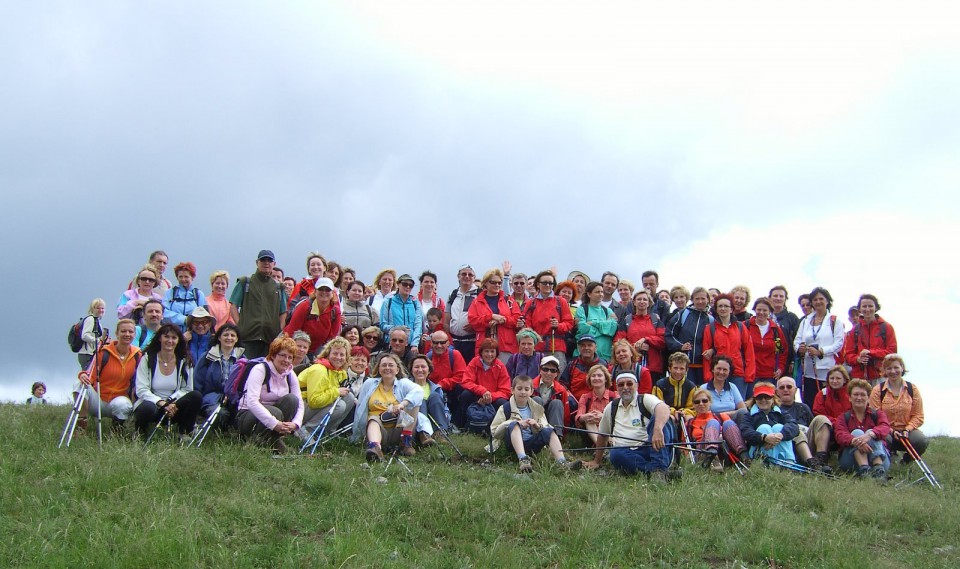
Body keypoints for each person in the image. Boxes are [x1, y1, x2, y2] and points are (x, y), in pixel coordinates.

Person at [582, 372, 673, 479]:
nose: (625, 387)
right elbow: (602, 435)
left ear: (637, 386)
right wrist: (596, 461)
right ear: (617, 388)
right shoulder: (611, 407)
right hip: (628, 454)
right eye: (621, 385)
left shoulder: (645, 399)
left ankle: (660, 469)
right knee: (615, 455)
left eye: (629, 384)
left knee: (661, 418)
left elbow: (664, 408)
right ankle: (658, 473)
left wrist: (657, 429)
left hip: (653, 447)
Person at [490, 375, 582, 473]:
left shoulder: (537, 408)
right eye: (519, 389)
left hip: (531, 443)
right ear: (512, 390)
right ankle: (523, 459)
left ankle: (562, 463)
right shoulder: (505, 408)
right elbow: (494, 432)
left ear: (531, 391)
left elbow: (546, 425)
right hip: (511, 444)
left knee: (549, 431)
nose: (523, 392)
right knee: (514, 425)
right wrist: (513, 423)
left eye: (526, 389)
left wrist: (537, 426)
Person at [235, 335, 304, 453]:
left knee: (292, 400)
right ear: (273, 355)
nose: (286, 360)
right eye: (282, 355)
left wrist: (295, 424)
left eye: (290, 357)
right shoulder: (260, 369)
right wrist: (274, 423)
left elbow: (300, 402)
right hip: (248, 416)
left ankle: (273, 439)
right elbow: (252, 403)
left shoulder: (290, 374)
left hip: (275, 419)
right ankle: (255, 442)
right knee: (275, 412)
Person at [351, 352, 426, 460]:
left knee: (414, 403)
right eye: (384, 365)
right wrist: (358, 434)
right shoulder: (369, 383)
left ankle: (405, 442)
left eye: (391, 365)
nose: (387, 368)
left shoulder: (403, 383)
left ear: (397, 369)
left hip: (400, 427)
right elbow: (360, 409)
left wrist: (402, 404)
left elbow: (418, 391)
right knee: (373, 419)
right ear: (379, 368)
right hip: (379, 430)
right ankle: (375, 447)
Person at [133, 324, 202, 439]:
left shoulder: (185, 361)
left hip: (174, 407)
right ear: (160, 338)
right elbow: (141, 389)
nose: (170, 341)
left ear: (179, 340)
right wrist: (161, 403)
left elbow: (187, 389)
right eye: (166, 337)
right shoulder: (147, 359)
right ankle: (140, 432)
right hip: (153, 405)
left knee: (196, 396)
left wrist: (171, 402)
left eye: (174, 338)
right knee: (147, 408)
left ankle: (184, 432)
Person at [76, 319, 141, 430]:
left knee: (124, 405)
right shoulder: (104, 352)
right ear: (117, 333)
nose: (127, 334)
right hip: (98, 399)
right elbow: (90, 373)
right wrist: (82, 375)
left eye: (130, 332)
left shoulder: (137, 355)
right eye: (123, 331)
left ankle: (116, 432)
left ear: (135, 334)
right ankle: (81, 424)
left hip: (119, 400)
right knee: (78, 385)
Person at [229, 250, 288, 359]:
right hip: (247, 340)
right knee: (246, 371)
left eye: (269, 260)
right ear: (257, 262)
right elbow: (233, 306)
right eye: (263, 260)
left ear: (274, 264)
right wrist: (241, 326)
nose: (266, 263)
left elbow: (283, 312)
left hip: (270, 341)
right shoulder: (245, 282)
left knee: (267, 373)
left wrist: (278, 330)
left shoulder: (279, 287)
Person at [869, 354, 927, 461]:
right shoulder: (878, 390)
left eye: (896, 367)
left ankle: (907, 461)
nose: (893, 371)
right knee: (882, 438)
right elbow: (875, 415)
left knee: (921, 440)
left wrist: (907, 429)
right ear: (885, 371)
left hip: (906, 430)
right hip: (886, 430)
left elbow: (918, 415)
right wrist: (890, 430)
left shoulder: (912, 389)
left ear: (902, 368)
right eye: (889, 368)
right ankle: (886, 459)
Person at [297, 337, 357, 440]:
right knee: (339, 405)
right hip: (300, 407)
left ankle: (328, 431)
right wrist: (336, 392)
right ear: (328, 354)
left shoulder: (340, 372)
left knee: (350, 398)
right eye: (335, 353)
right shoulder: (319, 370)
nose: (338, 357)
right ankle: (306, 430)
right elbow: (314, 401)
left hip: (313, 406)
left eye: (342, 354)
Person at [794, 287, 844, 408]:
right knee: (809, 402)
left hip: (827, 370)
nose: (818, 302)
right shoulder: (806, 321)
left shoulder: (835, 320)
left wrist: (821, 351)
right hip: (808, 370)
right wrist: (799, 349)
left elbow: (839, 344)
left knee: (827, 403)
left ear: (827, 301)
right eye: (815, 299)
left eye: (821, 299)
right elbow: (797, 340)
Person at [702, 293, 756, 399]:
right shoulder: (710, 328)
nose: (723, 309)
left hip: (738, 373)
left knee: (739, 406)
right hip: (718, 373)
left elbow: (749, 352)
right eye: (720, 306)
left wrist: (749, 374)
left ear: (731, 309)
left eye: (726, 306)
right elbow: (706, 355)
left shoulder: (741, 327)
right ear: (716, 309)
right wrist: (708, 376)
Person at [774, 376, 833, 471]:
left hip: (807, 443)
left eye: (789, 387)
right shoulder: (775, 409)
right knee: (796, 430)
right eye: (782, 387)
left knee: (821, 419)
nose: (785, 390)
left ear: (795, 390)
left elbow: (813, 428)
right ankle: (813, 465)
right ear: (777, 392)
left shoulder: (804, 407)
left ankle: (821, 459)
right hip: (789, 446)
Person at [836, 378, 891, 478]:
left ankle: (879, 470)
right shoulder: (843, 417)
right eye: (856, 394)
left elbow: (885, 427)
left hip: (881, 459)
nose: (859, 397)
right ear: (849, 398)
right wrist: (856, 441)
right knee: (857, 432)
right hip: (851, 461)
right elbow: (840, 435)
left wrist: (870, 435)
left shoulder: (878, 414)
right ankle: (864, 469)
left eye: (862, 395)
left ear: (868, 398)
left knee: (872, 432)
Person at [686, 387, 749, 471]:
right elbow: (684, 445)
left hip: (724, 449)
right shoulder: (690, 423)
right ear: (693, 405)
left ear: (710, 402)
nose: (701, 404)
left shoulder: (721, 417)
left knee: (728, 423)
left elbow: (732, 431)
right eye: (697, 402)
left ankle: (744, 457)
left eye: (704, 401)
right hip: (702, 452)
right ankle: (712, 456)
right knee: (713, 422)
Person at [524, 270, 575, 370]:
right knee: (536, 379)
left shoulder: (561, 301)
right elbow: (527, 326)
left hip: (556, 348)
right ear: (538, 284)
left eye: (550, 283)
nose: (548, 285)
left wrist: (558, 326)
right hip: (536, 348)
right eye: (544, 282)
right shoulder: (531, 303)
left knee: (557, 379)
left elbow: (569, 323)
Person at [468, 268, 522, 362]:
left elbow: (518, 319)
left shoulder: (508, 300)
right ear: (485, 283)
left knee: (506, 374)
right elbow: (473, 321)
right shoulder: (476, 302)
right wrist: (491, 317)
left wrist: (503, 320)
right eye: (493, 282)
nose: (497, 285)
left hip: (506, 345)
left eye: (499, 282)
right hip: (485, 345)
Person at [455, 338, 511, 430]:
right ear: (481, 352)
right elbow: (466, 381)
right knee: (465, 394)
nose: (489, 355)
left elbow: (505, 390)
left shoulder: (500, 366)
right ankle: (462, 425)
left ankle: (496, 428)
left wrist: (489, 397)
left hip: (493, 398)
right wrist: (482, 392)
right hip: (477, 395)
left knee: (504, 403)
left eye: (492, 351)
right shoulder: (474, 362)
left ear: (496, 353)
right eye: (486, 351)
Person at [194, 322, 243, 424]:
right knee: (221, 415)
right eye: (225, 335)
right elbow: (197, 382)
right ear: (219, 338)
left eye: (232, 335)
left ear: (237, 339)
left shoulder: (242, 360)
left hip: (235, 399)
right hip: (211, 398)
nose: (229, 338)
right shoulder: (207, 357)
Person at [843, 294, 898, 385]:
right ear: (860, 309)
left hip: (881, 376)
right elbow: (848, 355)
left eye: (870, 306)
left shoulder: (886, 327)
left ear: (876, 307)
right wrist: (858, 359)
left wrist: (870, 352)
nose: (867, 309)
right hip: (859, 378)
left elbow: (892, 352)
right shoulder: (855, 330)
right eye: (864, 306)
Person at [736, 382, 798, 462]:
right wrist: (764, 437)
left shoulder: (781, 413)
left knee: (778, 427)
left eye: (767, 397)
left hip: (781, 451)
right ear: (755, 399)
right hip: (757, 454)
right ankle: (771, 462)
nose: (763, 400)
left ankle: (789, 462)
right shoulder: (748, 415)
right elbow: (746, 432)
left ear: (773, 398)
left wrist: (781, 435)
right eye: (759, 397)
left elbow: (794, 427)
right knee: (764, 428)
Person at [665, 286, 713, 384]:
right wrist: (680, 346)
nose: (700, 301)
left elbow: (717, 342)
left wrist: (712, 350)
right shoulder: (682, 314)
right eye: (697, 299)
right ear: (692, 300)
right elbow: (669, 334)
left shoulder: (711, 319)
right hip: (683, 365)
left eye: (703, 299)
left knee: (700, 395)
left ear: (708, 300)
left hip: (703, 365)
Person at [284, 277, 342, 357]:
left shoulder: (336, 312)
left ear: (332, 293)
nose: (324, 292)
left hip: (318, 350)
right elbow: (292, 331)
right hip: (297, 346)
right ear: (315, 292)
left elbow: (332, 339)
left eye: (327, 290)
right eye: (321, 289)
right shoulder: (304, 306)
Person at [618, 290, 666, 380]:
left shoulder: (655, 320)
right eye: (639, 299)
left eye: (645, 299)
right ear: (634, 302)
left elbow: (663, 340)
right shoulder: (627, 321)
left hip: (653, 367)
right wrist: (634, 347)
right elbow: (618, 342)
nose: (642, 301)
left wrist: (646, 339)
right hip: (631, 366)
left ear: (649, 303)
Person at [426, 331, 467, 432]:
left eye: (442, 342)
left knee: (464, 391)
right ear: (431, 343)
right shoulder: (428, 357)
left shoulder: (455, 355)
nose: (439, 345)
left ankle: (456, 423)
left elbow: (461, 376)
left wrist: (443, 384)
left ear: (448, 343)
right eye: (435, 343)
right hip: (433, 391)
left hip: (451, 390)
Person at [746, 297, 786, 391]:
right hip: (750, 374)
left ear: (770, 312)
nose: (761, 312)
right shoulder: (746, 326)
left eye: (765, 310)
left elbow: (780, 352)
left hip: (770, 376)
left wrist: (780, 368)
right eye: (759, 309)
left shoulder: (775, 330)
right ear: (754, 310)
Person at [574, 281, 618, 362]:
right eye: (597, 292)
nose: (601, 294)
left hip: (605, 356)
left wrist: (594, 323)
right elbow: (582, 328)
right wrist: (604, 329)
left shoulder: (608, 311)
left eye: (602, 292)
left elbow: (612, 328)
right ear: (589, 294)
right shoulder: (582, 309)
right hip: (585, 356)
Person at [379, 273, 423, 352]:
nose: (408, 287)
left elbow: (418, 325)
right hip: (392, 344)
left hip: (410, 346)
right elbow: (383, 325)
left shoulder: (415, 303)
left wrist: (414, 344)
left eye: (411, 285)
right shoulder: (388, 302)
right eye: (405, 284)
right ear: (398, 285)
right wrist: (398, 329)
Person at [444, 264, 479, 362]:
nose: (467, 276)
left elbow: (485, 317)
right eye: (463, 274)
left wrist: (475, 325)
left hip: (472, 342)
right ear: (458, 276)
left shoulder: (480, 294)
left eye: (470, 275)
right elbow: (446, 319)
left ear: (474, 278)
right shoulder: (453, 294)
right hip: (454, 343)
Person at [575, 365, 616, 445]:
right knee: (589, 420)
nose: (596, 378)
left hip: (611, 431)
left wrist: (603, 417)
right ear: (590, 380)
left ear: (606, 379)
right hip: (592, 433)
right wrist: (585, 417)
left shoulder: (615, 396)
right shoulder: (585, 397)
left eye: (600, 375)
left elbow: (621, 417)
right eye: (593, 376)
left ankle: (608, 446)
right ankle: (601, 448)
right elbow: (578, 416)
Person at [409, 354, 449, 435]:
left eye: (423, 367)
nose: (420, 370)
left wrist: (446, 417)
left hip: (434, 421)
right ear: (411, 370)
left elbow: (444, 409)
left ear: (429, 370)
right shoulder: (405, 387)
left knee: (435, 396)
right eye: (416, 367)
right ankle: (424, 434)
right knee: (421, 400)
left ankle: (440, 434)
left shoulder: (436, 388)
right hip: (414, 423)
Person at [653, 352, 697, 421]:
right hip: (666, 413)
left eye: (682, 368)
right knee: (670, 418)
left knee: (689, 418)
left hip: (684, 414)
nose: (678, 372)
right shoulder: (660, 385)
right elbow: (657, 404)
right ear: (669, 368)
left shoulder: (691, 386)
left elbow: (693, 408)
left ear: (686, 370)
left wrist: (683, 412)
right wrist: (673, 412)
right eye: (675, 368)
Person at [560, 335, 606, 401]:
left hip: (598, 402)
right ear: (578, 348)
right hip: (574, 404)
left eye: (590, 345)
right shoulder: (572, 365)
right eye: (583, 345)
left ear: (595, 348)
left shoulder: (604, 365)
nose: (586, 348)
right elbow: (562, 384)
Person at [163, 262, 207, 331]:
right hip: (173, 334)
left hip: (192, 334)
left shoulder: (198, 294)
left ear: (192, 277)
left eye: (186, 277)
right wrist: (184, 319)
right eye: (180, 277)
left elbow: (204, 316)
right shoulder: (170, 292)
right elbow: (164, 312)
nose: (183, 279)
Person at [768, 285, 800, 372]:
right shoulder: (763, 316)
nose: (778, 298)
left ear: (785, 299)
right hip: (765, 362)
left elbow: (797, 340)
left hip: (786, 363)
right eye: (775, 296)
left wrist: (793, 361)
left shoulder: (792, 318)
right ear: (769, 298)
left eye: (781, 296)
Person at [78, 298, 107, 370]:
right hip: (86, 353)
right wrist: (97, 341)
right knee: (87, 375)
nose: (101, 310)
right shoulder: (90, 319)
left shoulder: (97, 320)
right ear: (93, 309)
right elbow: (84, 335)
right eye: (98, 308)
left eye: (102, 308)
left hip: (91, 353)